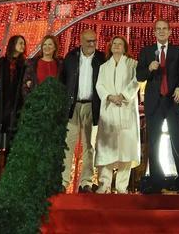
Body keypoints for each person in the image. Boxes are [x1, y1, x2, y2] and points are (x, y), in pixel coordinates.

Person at [137, 19, 179, 193]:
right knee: (154, 142)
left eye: (164, 29)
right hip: (154, 103)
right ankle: (156, 181)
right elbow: (139, 76)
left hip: (173, 102)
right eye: (158, 29)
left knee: (178, 141)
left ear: (169, 32)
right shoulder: (146, 52)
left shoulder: (178, 51)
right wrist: (149, 69)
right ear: (154, 32)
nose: (161, 31)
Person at [60, 27, 105, 192]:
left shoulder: (101, 58)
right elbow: (63, 80)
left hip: (91, 106)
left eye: (94, 40)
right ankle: (63, 182)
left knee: (88, 145)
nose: (92, 44)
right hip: (72, 106)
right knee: (67, 144)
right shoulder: (71, 58)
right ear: (80, 41)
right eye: (88, 41)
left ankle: (85, 182)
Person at [94, 36, 140, 193]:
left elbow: (136, 81)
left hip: (126, 108)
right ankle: (104, 184)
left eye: (120, 44)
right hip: (109, 109)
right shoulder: (103, 67)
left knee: (126, 147)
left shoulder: (132, 64)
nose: (117, 46)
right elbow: (99, 85)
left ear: (125, 48)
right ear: (110, 46)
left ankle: (122, 186)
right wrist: (110, 97)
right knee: (106, 147)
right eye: (114, 43)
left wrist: (124, 96)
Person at [0, 34, 28, 186]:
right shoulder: (1, 63)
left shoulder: (24, 66)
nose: (23, 46)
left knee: (10, 150)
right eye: (20, 43)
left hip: (14, 113)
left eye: (23, 44)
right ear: (12, 44)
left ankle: (6, 185)